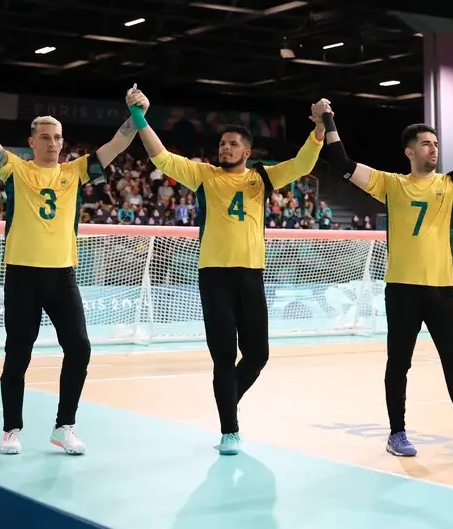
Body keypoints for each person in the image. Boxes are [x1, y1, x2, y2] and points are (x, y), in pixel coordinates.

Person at [316, 104, 453, 459]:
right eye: (426, 143)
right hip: (402, 289)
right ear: (410, 151)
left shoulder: (451, 184)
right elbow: (342, 164)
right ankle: (396, 433)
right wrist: (328, 120)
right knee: (399, 363)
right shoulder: (391, 183)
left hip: (441, 290)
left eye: (435, 143)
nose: (433, 148)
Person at [0, 65, 142, 456]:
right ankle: (11, 429)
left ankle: (64, 426)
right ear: (32, 141)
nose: (53, 143)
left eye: (57, 137)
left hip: (62, 277)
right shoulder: (14, 171)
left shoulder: (76, 171)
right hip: (22, 276)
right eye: (45, 137)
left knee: (80, 348)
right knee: (18, 353)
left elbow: (118, 143)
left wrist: (137, 112)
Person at [127, 92, 327, 455]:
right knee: (222, 355)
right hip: (215, 276)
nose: (225, 148)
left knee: (258, 355)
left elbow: (300, 165)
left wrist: (318, 127)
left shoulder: (262, 178)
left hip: (251, 275)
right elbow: (162, 157)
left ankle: (226, 399)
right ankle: (229, 430)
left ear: (247, 152)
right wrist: (140, 117)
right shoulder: (204, 175)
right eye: (222, 143)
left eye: (233, 144)